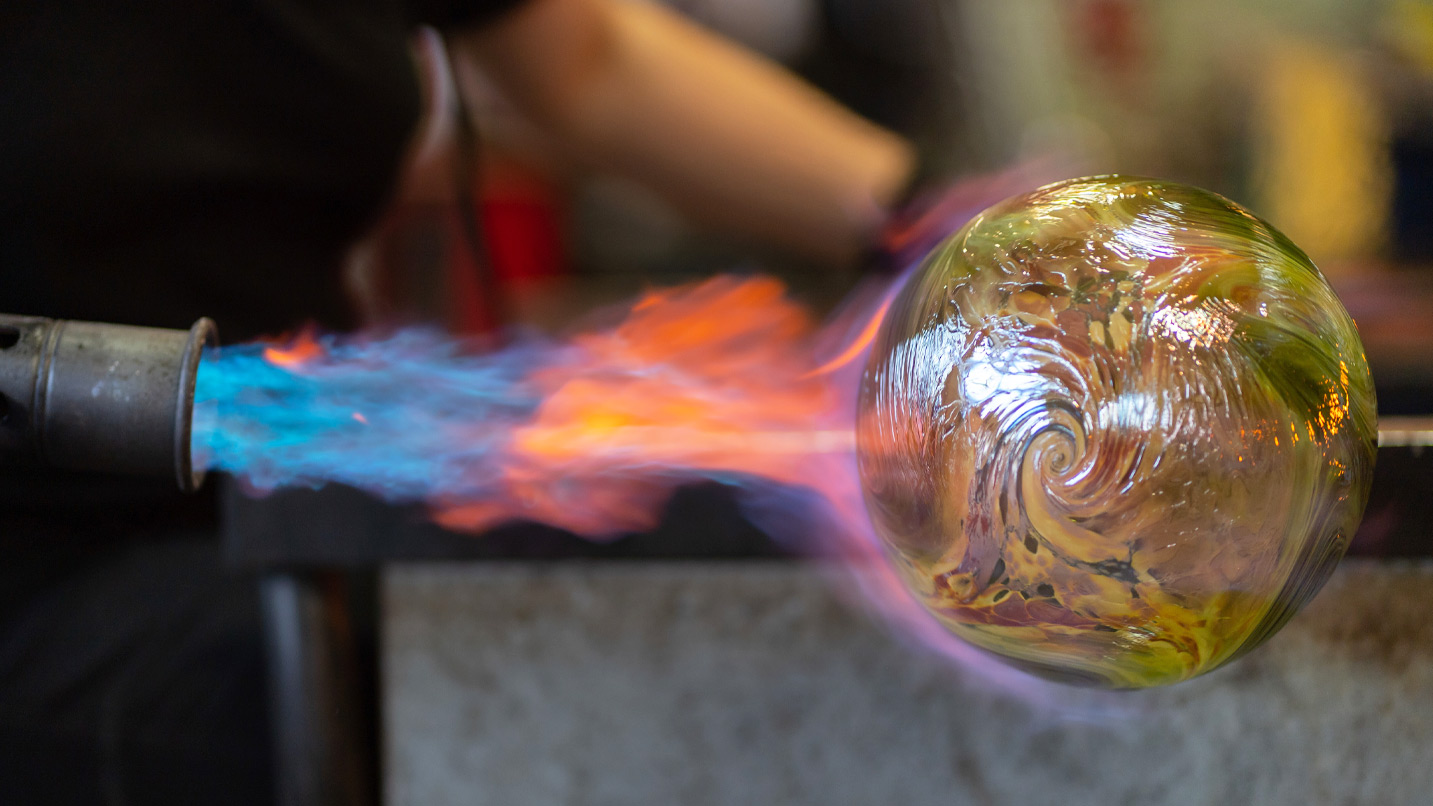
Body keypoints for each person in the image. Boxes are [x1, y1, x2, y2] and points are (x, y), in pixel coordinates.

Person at [1, 0, 920, 802]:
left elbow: (590, 61)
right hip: (54, 563)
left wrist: (929, 221)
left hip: (296, 518)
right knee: (497, 685)